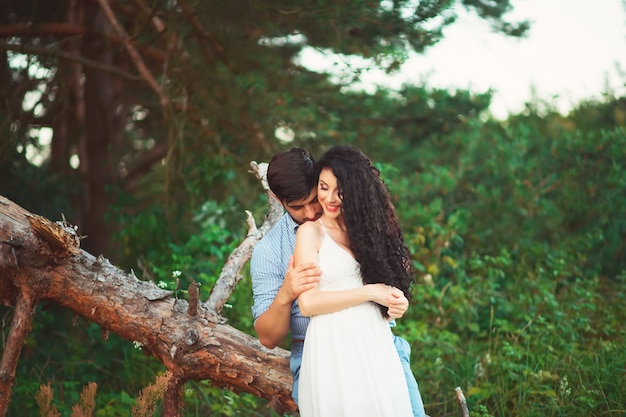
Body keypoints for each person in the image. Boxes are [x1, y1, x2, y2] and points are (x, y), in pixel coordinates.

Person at [250, 147, 425, 416]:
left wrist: (394, 300)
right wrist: (287, 293)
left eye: (313, 200)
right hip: (320, 349)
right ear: (277, 199)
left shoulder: (360, 222)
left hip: (378, 342)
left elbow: (393, 281)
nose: (310, 212)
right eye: (297, 207)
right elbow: (268, 337)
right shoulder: (271, 250)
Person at [294, 145, 416, 417]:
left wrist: (397, 304)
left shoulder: (368, 231)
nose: (330, 197)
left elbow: (391, 291)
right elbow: (308, 303)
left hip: (375, 341)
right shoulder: (310, 232)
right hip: (333, 346)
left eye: (340, 190)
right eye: (324, 187)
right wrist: (370, 292)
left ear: (357, 190)